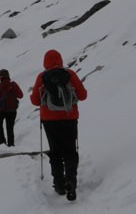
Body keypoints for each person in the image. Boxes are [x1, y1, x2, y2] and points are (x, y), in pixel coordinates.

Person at [31, 49, 88, 200]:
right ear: (60, 59)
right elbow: (83, 95)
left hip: (49, 121)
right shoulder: (69, 74)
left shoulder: (42, 77)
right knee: (70, 151)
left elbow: (35, 101)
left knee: (55, 152)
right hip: (69, 118)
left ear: (45, 62)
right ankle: (70, 181)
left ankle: (60, 185)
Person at [0, 69, 25, 147]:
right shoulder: (13, 85)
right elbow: (21, 95)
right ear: (8, 76)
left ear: (0, 77)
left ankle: (2, 143)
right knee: (10, 128)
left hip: (0, 111)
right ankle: (11, 144)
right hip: (12, 110)